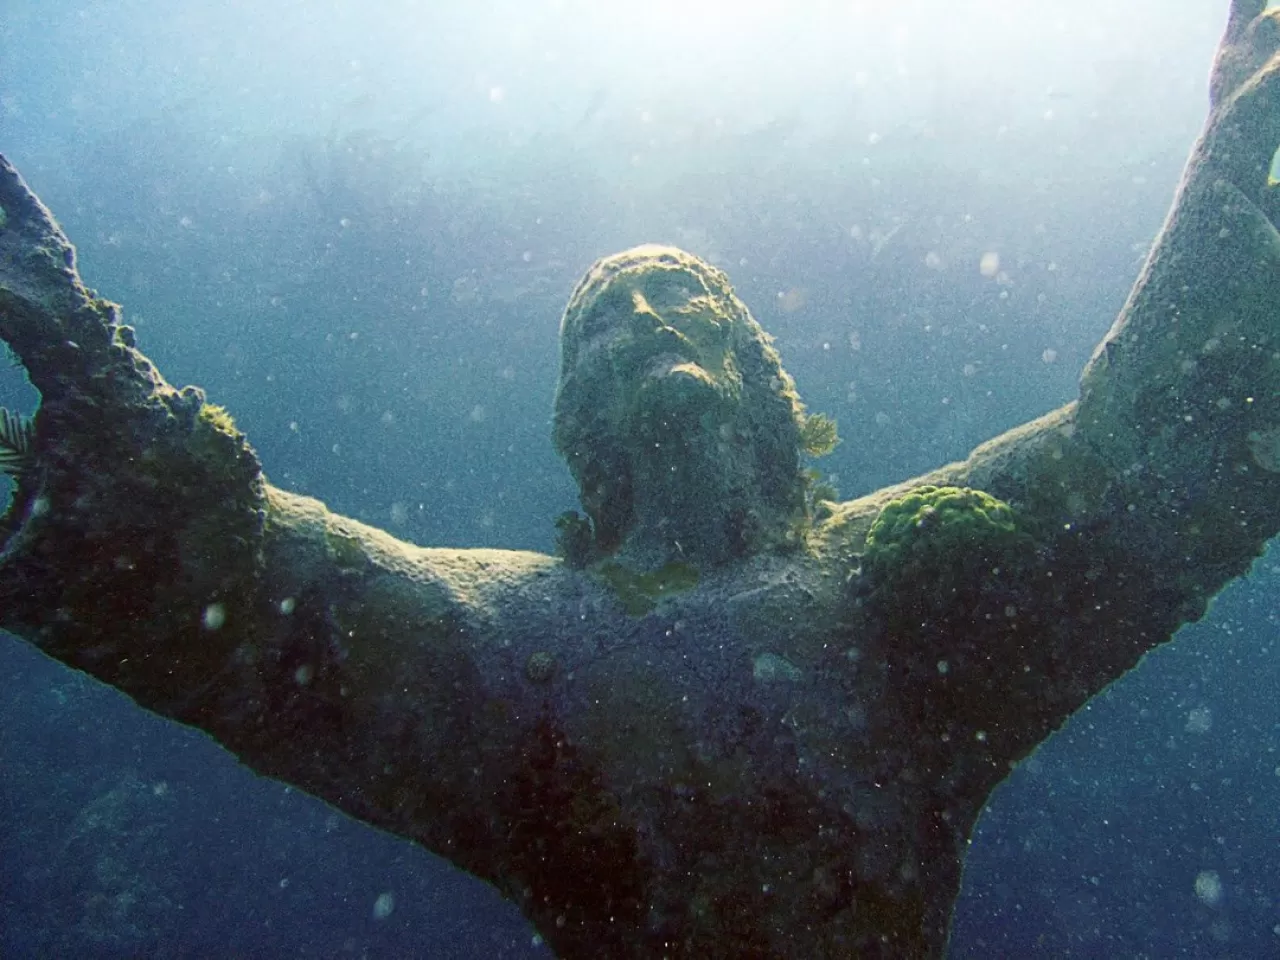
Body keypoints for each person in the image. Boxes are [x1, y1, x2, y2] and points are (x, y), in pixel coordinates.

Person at [2, 2, 1279, 955]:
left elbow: (1136, 465)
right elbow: (256, 586)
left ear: (755, 361)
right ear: (574, 408)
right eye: (607, 314)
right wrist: (101, 399)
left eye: (689, 295)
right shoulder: (503, 640)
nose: (655, 315)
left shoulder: (899, 582)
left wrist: (1226, 212)